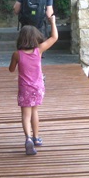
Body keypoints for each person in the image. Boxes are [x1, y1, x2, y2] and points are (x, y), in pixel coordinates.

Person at [9, 14, 58, 155]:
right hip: (37, 87)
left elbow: (11, 70)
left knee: (25, 114)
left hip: (24, 88)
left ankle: (28, 139)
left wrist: (16, 63)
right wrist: (53, 22)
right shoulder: (39, 50)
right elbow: (54, 38)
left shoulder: (17, 54)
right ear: (35, 38)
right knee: (35, 111)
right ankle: (36, 137)